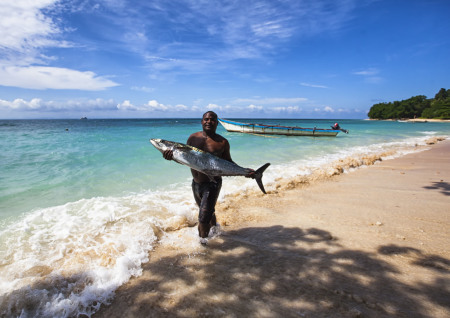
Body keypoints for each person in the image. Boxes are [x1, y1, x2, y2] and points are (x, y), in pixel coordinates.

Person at [162, 111, 252, 241]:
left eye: (212, 120)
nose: (209, 122)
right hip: (196, 183)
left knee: (203, 219)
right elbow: (186, 160)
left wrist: (245, 171)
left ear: (217, 123)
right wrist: (172, 158)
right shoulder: (193, 138)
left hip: (212, 184)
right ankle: (216, 230)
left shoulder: (222, 142)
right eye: (206, 119)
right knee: (207, 212)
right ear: (202, 121)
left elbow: (228, 162)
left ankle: (203, 247)